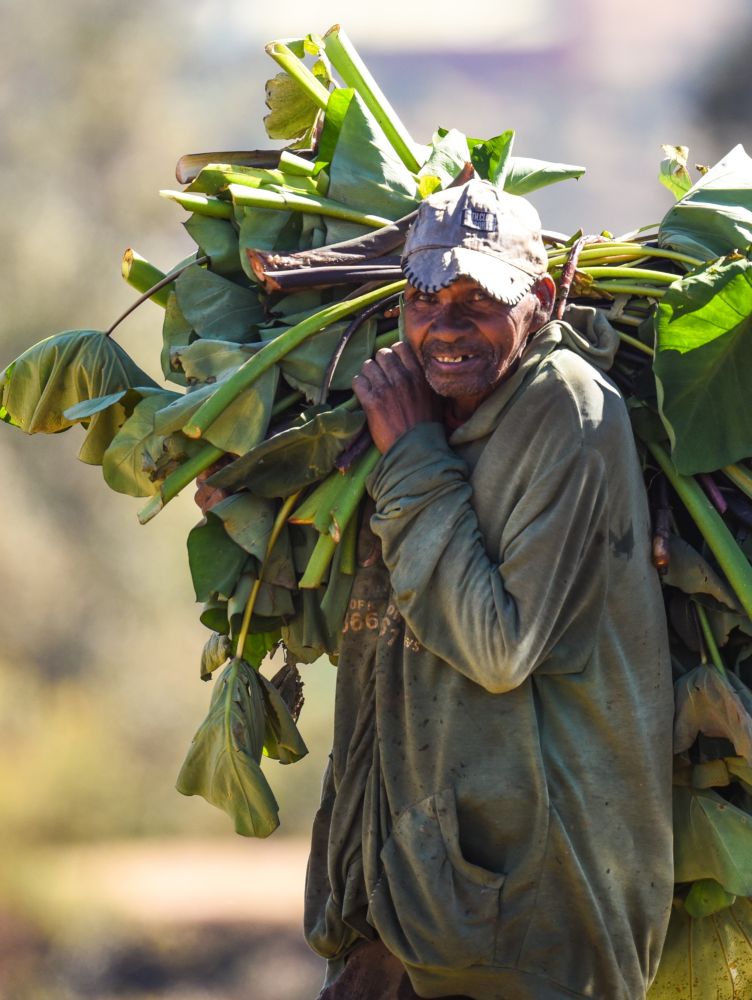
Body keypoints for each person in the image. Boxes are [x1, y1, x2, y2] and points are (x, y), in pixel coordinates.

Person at [302, 179, 675, 1000]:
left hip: (531, 912)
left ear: (539, 299)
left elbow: (499, 651)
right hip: (416, 894)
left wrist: (409, 457)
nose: (445, 326)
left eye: (479, 300)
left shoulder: (567, 411)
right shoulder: (418, 408)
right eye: (425, 298)